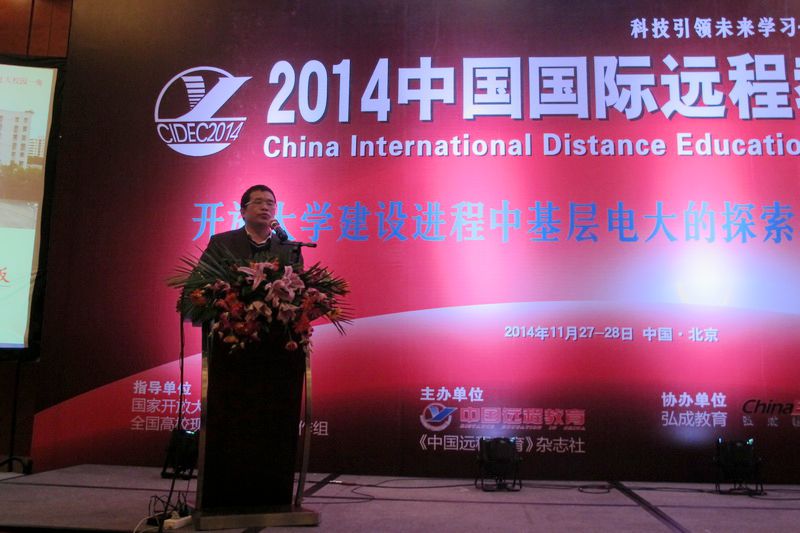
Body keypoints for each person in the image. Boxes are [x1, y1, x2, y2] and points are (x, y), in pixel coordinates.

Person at [202, 184, 302, 268]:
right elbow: (200, 279)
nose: (265, 207)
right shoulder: (221, 243)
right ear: (243, 212)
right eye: (258, 202)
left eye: (270, 203)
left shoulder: (289, 248)